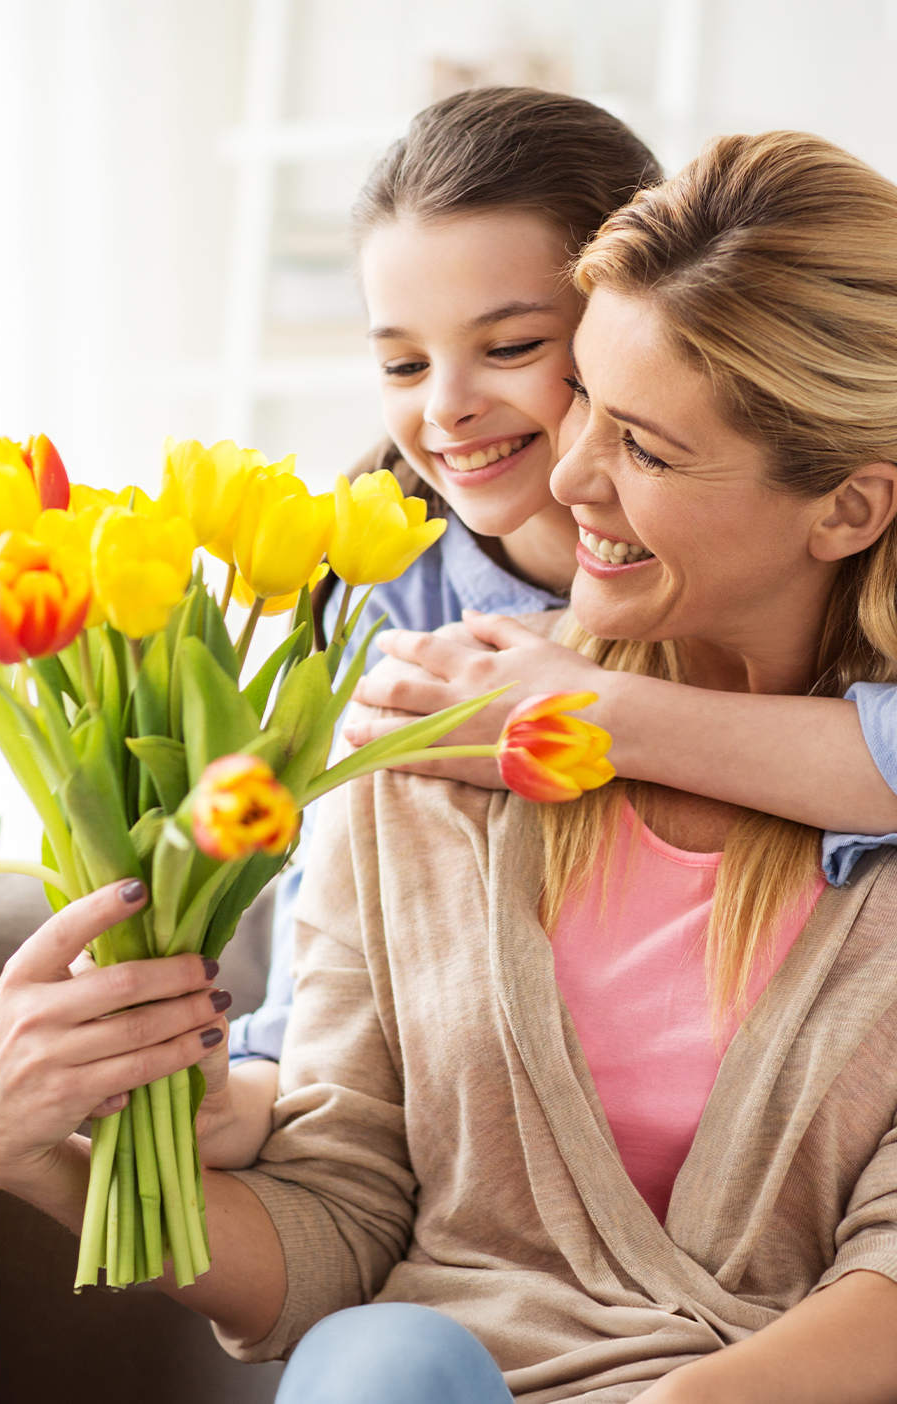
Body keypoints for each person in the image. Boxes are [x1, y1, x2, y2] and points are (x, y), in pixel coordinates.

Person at [0, 129, 897, 1403]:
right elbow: (339, 1222)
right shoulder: (433, 727)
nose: (565, 478)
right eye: (585, 406)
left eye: (643, 444)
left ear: (849, 505)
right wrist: (37, 1156)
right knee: (380, 1358)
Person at [228, 85, 663, 1065]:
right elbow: (324, 973)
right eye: (402, 366)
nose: (448, 409)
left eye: (509, 347)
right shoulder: (385, 589)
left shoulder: (757, 548)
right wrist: (248, 1079)